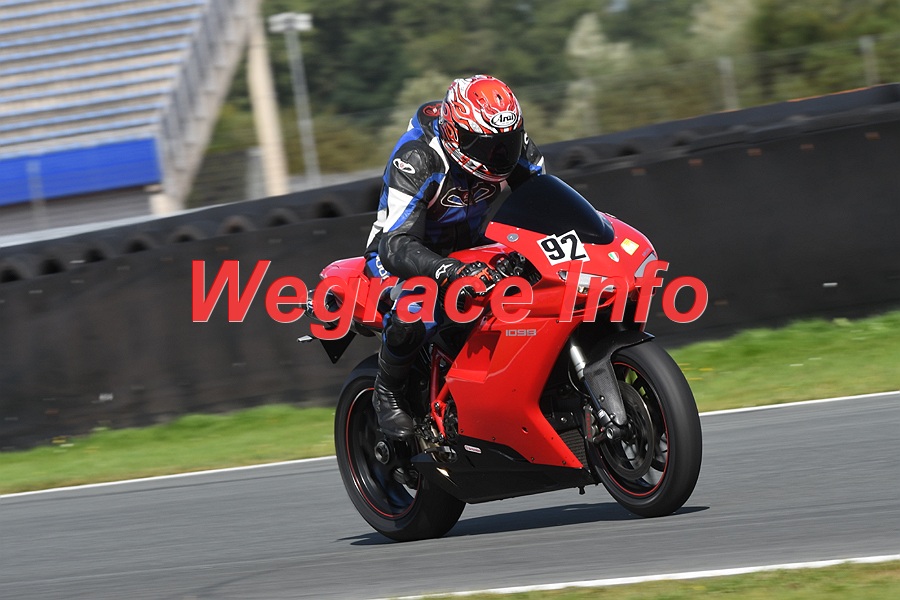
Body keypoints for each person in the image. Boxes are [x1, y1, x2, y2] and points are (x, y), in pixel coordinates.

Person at [364, 74, 546, 439]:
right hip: (400, 254)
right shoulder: (418, 158)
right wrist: (446, 268)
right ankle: (387, 392)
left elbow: (544, 202)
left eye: (506, 144)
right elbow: (396, 243)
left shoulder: (511, 145)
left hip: (470, 246)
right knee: (416, 305)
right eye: (486, 146)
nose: (499, 156)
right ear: (455, 135)